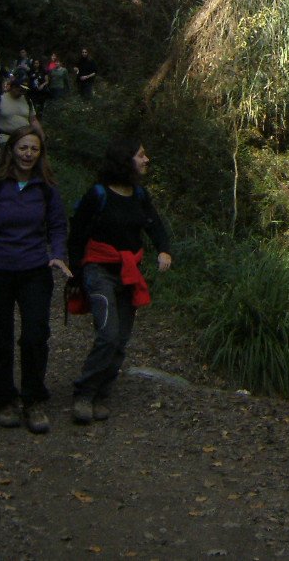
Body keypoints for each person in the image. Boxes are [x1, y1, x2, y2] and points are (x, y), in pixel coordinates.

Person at [0, 126, 72, 433]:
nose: (28, 154)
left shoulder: (47, 189)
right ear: (11, 150)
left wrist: (58, 254)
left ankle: (34, 399)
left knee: (35, 336)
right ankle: (5, 399)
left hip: (34, 270)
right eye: (23, 148)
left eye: (34, 149)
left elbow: (58, 226)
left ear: (40, 154)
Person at [68, 138, 173, 423]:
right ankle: (85, 393)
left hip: (128, 273)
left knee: (121, 339)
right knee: (108, 334)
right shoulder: (98, 195)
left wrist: (163, 249)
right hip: (98, 271)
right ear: (125, 160)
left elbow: (154, 223)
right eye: (141, 155)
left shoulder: (139, 195)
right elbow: (76, 234)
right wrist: (76, 273)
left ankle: (102, 391)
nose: (146, 159)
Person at [0, 75, 43, 150]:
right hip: (5, 137)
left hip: (24, 137)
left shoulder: (28, 100)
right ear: (13, 87)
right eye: (21, 89)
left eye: (24, 90)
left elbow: (33, 120)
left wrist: (41, 135)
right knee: (8, 158)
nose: (23, 91)